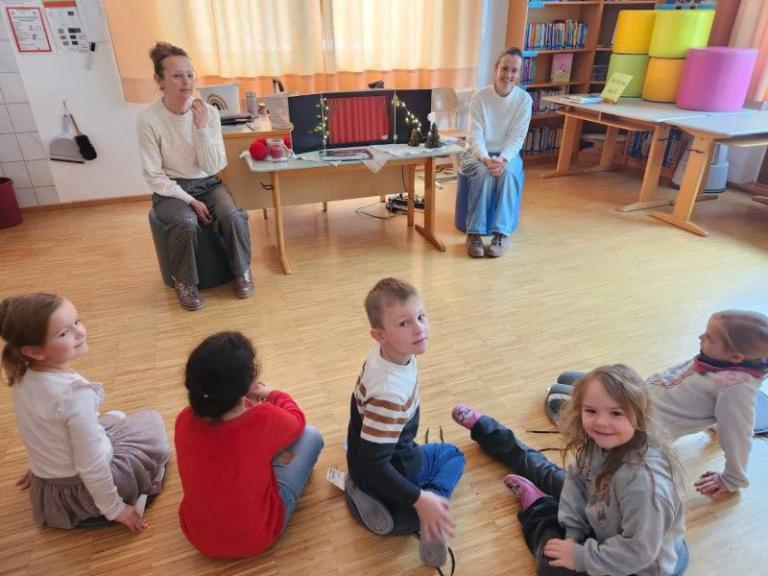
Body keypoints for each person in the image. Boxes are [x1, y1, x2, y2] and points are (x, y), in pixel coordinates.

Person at [453, 365, 688, 576]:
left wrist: (577, 555)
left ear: (639, 416)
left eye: (616, 413)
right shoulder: (602, 442)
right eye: (591, 411)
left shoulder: (646, 487)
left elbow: (638, 553)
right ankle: (487, 429)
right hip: (606, 520)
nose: (601, 422)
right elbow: (576, 483)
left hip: (637, 565)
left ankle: (538, 508)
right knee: (550, 474)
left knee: (551, 566)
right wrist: (572, 532)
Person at [546, 310, 768, 497]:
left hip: (637, 427)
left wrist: (733, 478)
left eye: (709, 337)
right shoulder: (720, 358)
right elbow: (702, 397)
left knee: (555, 398)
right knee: (568, 379)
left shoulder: (737, 389)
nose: (701, 337)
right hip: (635, 398)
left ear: (736, 357)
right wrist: (716, 421)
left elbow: (738, 433)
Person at [1, 293, 169, 532]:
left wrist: (39, 466)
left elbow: (36, 428)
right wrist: (116, 510)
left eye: (77, 322)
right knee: (151, 420)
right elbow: (91, 465)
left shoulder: (21, 374)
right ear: (36, 351)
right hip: (84, 487)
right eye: (64, 333)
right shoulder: (75, 396)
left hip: (51, 483)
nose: (80, 332)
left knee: (115, 416)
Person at [345, 278, 465, 569]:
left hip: (366, 456)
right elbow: (377, 465)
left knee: (393, 474)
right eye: (404, 323)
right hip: (387, 466)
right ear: (379, 334)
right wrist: (422, 500)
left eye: (421, 317)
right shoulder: (389, 392)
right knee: (453, 456)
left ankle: (362, 491)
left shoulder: (387, 355)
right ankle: (417, 515)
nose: (419, 328)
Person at [175, 331, 323, 558]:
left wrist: (244, 403)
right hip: (258, 536)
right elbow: (297, 420)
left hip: (197, 536)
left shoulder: (183, 421)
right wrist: (272, 394)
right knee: (311, 436)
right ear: (246, 386)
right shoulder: (262, 419)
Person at [137, 42, 254, 311]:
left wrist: (201, 129)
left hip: (210, 183)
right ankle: (185, 282)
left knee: (232, 215)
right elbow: (153, 175)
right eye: (176, 75)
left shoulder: (208, 113)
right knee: (186, 222)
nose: (186, 81)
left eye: (190, 74)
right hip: (171, 190)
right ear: (160, 80)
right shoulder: (148, 119)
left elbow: (214, 165)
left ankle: (242, 271)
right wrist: (189, 200)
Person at [460, 46, 532, 258]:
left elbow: (517, 137)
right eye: (505, 69)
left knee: (509, 174)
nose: (508, 75)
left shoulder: (524, 100)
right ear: (496, 69)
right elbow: (475, 136)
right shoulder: (479, 98)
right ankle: (474, 233)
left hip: (506, 154)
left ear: (519, 74)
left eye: (514, 71)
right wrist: (485, 158)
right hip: (478, 153)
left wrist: (503, 159)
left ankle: (501, 234)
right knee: (482, 174)